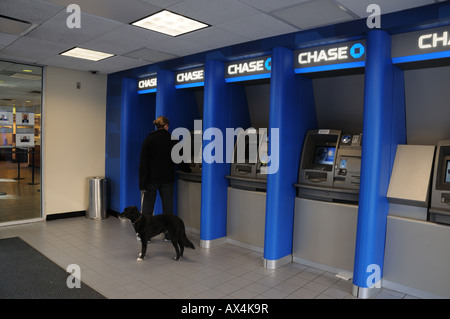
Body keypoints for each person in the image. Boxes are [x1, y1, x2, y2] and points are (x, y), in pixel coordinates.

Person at [138, 116, 191, 241]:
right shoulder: (173, 140)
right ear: (166, 126)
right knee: (168, 209)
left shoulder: (148, 140)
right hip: (167, 179)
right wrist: (188, 169)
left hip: (151, 180)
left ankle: (145, 235)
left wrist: (142, 184)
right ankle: (168, 235)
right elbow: (180, 160)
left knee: (147, 209)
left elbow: (143, 164)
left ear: (157, 126)